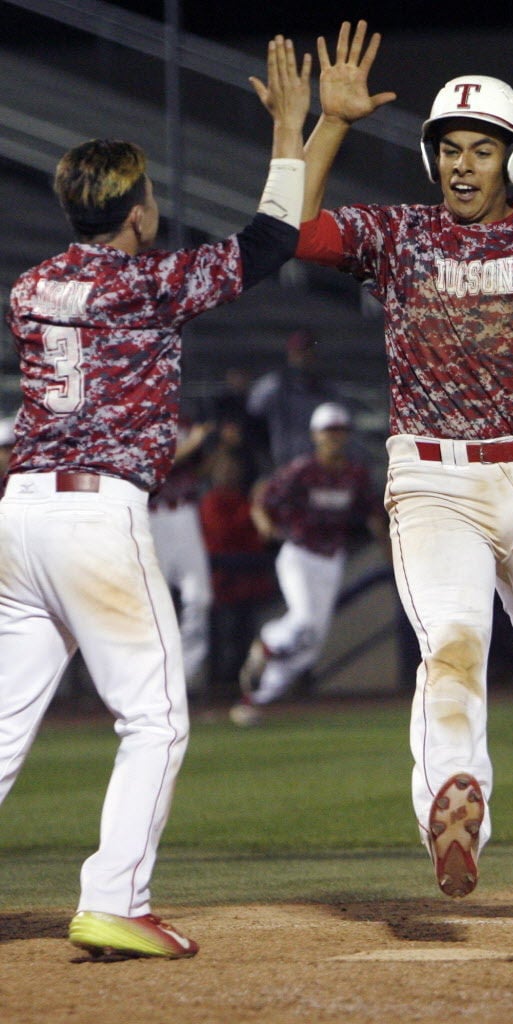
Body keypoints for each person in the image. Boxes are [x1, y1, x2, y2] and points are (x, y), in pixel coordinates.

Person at [294, 21, 513, 899]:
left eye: (480, 149)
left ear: (511, 159)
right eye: (448, 147)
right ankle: (459, 798)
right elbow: (293, 232)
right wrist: (329, 125)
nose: (460, 164)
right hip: (432, 480)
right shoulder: (401, 233)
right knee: (451, 642)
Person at [0, 35, 311, 960]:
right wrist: (288, 135)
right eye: (148, 201)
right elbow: (269, 244)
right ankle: (114, 899)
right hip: (97, 513)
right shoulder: (145, 283)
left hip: (18, 512)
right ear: (136, 211)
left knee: (3, 724)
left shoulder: (29, 287)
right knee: (158, 718)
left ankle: (115, 893)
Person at [230, 401, 389, 725]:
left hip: (331, 559)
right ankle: (268, 642)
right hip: (299, 553)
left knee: (312, 645)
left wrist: (388, 548)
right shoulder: (303, 470)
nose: (335, 437)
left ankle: (254, 699)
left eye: (340, 430)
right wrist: (263, 522)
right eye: (329, 431)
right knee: (302, 620)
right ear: (316, 435)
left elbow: (373, 514)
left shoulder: (355, 474)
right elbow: (264, 496)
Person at [199, 442, 277, 702]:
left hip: (248, 581)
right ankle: (218, 691)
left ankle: (242, 690)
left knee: (245, 639)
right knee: (222, 640)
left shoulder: (243, 499)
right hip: (222, 581)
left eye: (234, 468)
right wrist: (253, 509)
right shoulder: (212, 500)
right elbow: (223, 533)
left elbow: (263, 537)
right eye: (225, 468)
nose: (230, 473)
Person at [148, 417, 214, 697]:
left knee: (199, 598)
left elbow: (200, 470)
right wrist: (193, 443)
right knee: (150, 605)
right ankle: (148, 680)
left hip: (185, 513)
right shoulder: (134, 418)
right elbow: (153, 466)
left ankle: (183, 679)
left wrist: (216, 447)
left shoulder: (185, 421)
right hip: (150, 517)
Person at [246, 327, 343, 468]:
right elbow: (253, 412)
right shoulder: (274, 384)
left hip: (318, 463)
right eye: (298, 352)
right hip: (282, 462)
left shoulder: (327, 389)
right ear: (290, 354)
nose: (303, 356)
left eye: (307, 351)